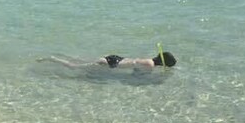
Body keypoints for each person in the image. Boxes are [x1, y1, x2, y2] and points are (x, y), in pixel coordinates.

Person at [47, 50, 177, 70]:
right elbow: (136, 69)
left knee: (81, 61)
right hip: (111, 63)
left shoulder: (150, 60)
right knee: (74, 67)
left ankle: (59, 55)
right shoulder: (150, 64)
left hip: (116, 59)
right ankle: (53, 59)